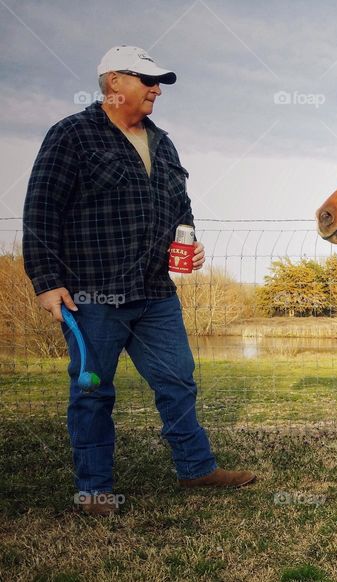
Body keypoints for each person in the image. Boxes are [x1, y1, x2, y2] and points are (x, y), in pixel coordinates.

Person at [22, 46, 255, 516]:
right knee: (92, 390)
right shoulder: (72, 135)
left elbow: (180, 207)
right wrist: (46, 282)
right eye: (147, 80)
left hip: (154, 293)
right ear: (113, 83)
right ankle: (94, 489)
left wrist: (188, 241)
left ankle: (196, 468)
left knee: (178, 380)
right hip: (92, 293)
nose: (156, 89)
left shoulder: (163, 142)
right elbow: (41, 211)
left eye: (160, 82)